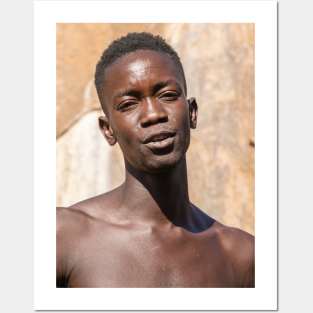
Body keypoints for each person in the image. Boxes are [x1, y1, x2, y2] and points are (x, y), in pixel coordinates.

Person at [57, 32, 254, 288]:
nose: (153, 114)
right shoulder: (63, 236)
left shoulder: (241, 256)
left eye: (168, 95)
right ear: (108, 130)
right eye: (129, 104)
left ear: (192, 112)